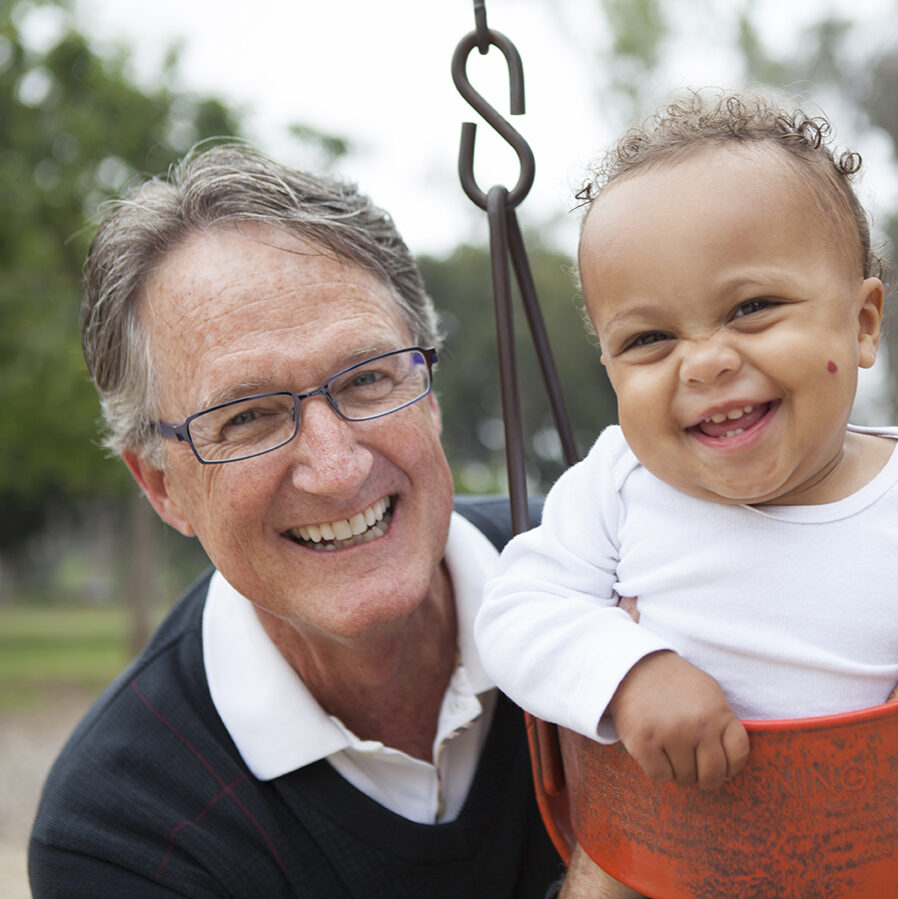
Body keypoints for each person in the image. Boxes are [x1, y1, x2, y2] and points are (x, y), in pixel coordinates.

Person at [475, 91, 898, 898]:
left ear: (863, 323)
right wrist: (630, 672)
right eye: (648, 338)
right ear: (607, 364)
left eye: (752, 308)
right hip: (679, 855)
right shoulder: (617, 484)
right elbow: (519, 610)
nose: (703, 362)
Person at [27, 142, 614, 897]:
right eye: (247, 416)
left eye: (368, 378)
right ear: (162, 486)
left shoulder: (620, 572)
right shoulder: (121, 830)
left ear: (429, 390)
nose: (337, 468)